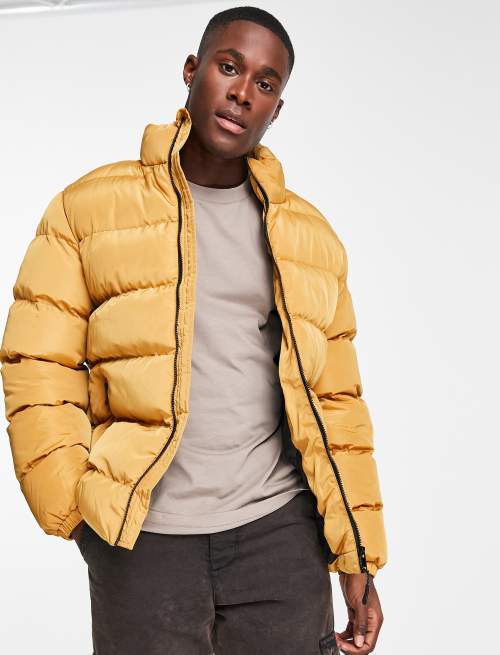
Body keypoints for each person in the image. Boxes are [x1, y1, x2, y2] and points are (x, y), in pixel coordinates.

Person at [0, 6, 387, 654]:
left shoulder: (309, 239)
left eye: (265, 83)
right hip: (144, 542)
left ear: (277, 109)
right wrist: (75, 507)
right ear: (192, 70)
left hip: (279, 538)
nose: (242, 92)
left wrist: (357, 554)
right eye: (228, 67)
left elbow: (337, 403)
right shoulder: (87, 209)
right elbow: (36, 364)